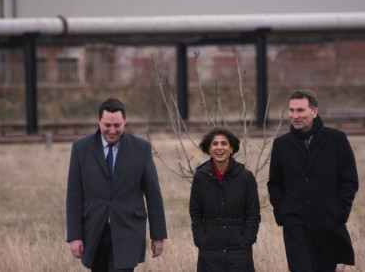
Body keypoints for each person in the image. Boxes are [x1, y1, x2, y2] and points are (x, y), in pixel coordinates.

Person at [66, 97, 167, 272]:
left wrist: (158, 236)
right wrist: (74, 236)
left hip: (128, 230)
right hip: (94, 231)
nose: (112, 130)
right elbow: (74, 195)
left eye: (117, 125)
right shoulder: (80, 149)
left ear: (125, 121)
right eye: (107, 125)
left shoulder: (141, 148)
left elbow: (153, 194)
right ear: (99, 120)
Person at [267, 89, 359, 272]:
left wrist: (339, 212)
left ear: (314, 112)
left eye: (300, 110)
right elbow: (275, 184)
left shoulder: (337, 140)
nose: (295, 116)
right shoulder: (281, 145)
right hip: (295, 227)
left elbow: (349, 180)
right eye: (291, 110)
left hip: (327, 224)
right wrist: (283, 212)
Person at [189, 127, 261, 272]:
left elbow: (253, 214)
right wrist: (201, 240)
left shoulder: (246, 177)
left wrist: (246, 240)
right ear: (209, 148)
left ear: (232, 148)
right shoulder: (200, 177)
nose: (219, 148)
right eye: (215, 144)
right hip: (209, 249)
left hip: (239, 250)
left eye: (224, 143)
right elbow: (195, 213)